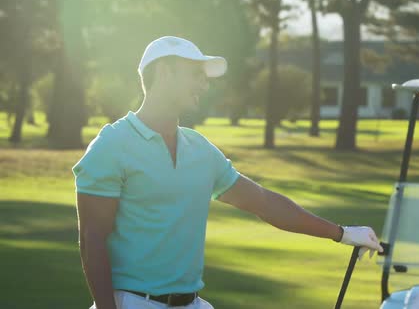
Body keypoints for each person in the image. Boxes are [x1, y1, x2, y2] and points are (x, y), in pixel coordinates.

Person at [73, 36, 383, 309]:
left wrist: (342, 233)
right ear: (164, 71)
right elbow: (92, 238)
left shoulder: (200, 149)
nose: (204, 85)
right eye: (195, 75)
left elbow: (263, 202)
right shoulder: (112, 144)